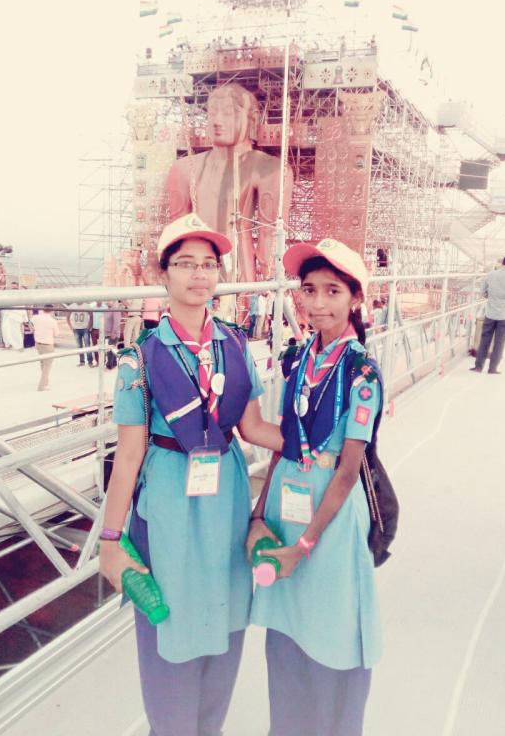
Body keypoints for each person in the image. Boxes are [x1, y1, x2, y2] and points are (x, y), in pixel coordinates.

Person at [98, 213, 283, 736]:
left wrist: (323, 444)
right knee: (170, 627)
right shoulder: (139, 358)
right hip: (169, 504)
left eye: (208, 264)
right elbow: (129, 455)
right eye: (185, 264)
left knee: (225, 620)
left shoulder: (236, 345)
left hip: (223, 495)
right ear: (165, 275)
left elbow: (251, 426)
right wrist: (111, 539)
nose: (199, 274)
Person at [249, 237, 383, 736]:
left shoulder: (362, 372)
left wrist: (304, 545)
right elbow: (282, 445)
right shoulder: (297, 357)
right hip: (287, 496)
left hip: (330, 508)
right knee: (286, 631)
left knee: (332, 629)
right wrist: (260, 516)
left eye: (333, 291)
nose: (319, 303)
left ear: (355, 299)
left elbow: (348, 471)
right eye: (309, 290)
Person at [166, 83, 293, 281]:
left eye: (228, 113)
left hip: (239, 265)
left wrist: (271, 283)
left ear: (251, 119)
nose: (217, 121)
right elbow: (175, 232)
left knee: (237, 302)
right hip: (196, 267)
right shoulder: (183, 169)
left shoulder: (270, 169)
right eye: (211, 113)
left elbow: (270, 235)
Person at [471, 254, 505, 374]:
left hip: (490, 312)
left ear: (503, 262)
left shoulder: (490, 274)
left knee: (484, 340)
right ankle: (492, 368)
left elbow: (483, 292)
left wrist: (492, 297)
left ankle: (478, 366)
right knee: (499, 342)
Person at [31, 305, 59, 391]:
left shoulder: (35, 318)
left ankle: (45, 382)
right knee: (47, 366)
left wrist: (34, 331)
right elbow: (56, 334)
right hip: (48, 345)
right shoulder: (52, 321)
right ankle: (41, 386)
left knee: (43, 364)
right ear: (51, 311)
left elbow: (29, 323)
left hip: (38, 344)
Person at [1, 282, 27, 351]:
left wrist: (25, 319)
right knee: (5, 331)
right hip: (7, 315)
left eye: (15, 288)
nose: (13, 289)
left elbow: (23, 307)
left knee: (16, 332)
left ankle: (20, 346)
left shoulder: (20, 296)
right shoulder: (8, 295)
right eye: (12, 287)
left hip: (16, 316)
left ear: (17, 288)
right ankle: (7, 345)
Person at [103, 301, 122, 370]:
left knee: (110, 350)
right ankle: (114, 363)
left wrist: (113, 333)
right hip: (107, 333)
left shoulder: (115, 309)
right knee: (112, 349)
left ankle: (109, 366)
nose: (107, 302)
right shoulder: (107, 309)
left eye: (109, 300)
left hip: (113, 333)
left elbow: (116, 322)